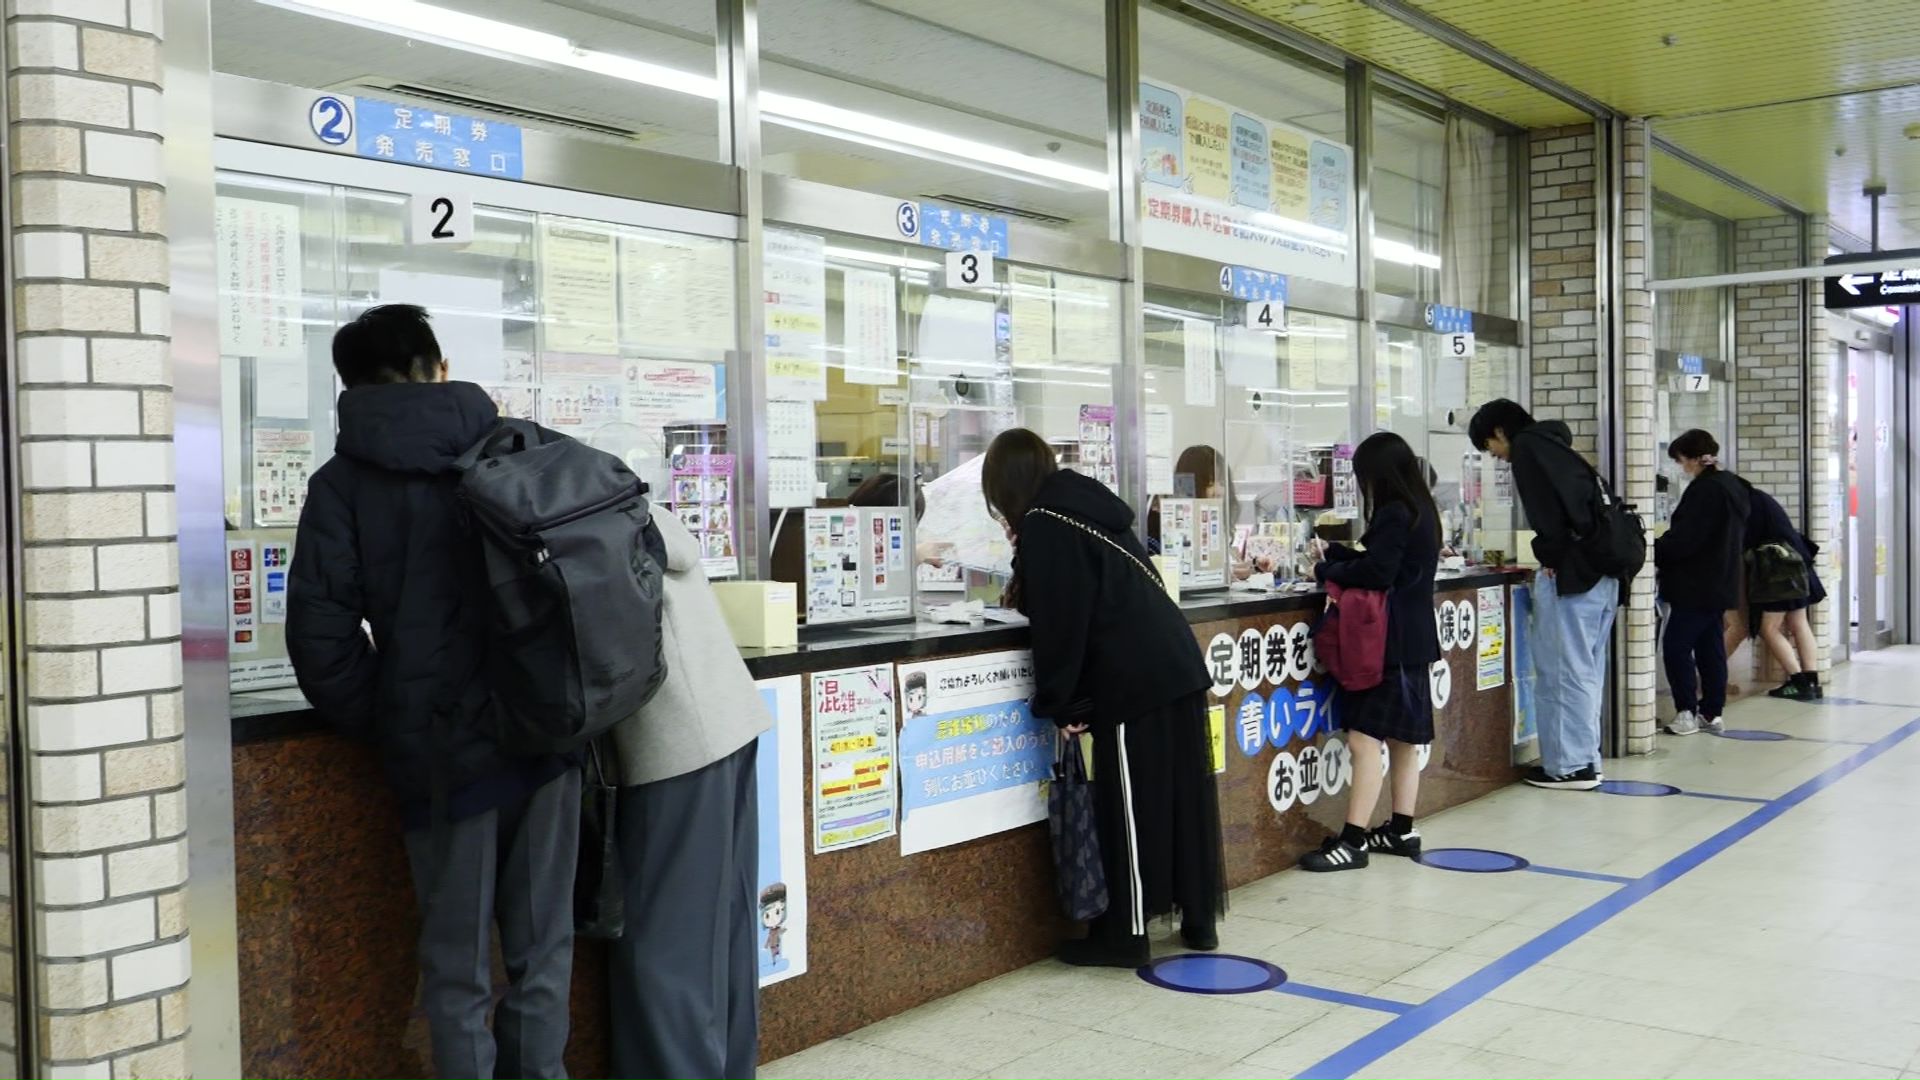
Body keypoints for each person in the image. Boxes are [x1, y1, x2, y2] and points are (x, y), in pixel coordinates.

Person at [287, 304, 580, 1080]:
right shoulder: (519, 448)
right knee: (543, 954)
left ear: (348, 385)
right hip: (545, 729)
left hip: (439, 752)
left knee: (456, 973)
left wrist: (388, 716)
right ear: (439, 366)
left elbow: (321, 635)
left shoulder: (341, 484)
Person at [984, 428, 1225, 967]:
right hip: (1171, 665)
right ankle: (1198, 919)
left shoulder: (1048, 524)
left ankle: (1125, 935)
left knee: (1131, 807)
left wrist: (1062, 703)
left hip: (1132, 678)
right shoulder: (1088, 509)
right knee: (1181, 797)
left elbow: (1062, 623)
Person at [608, 505, 771, 1080]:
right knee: (725, 928)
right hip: (730, 720)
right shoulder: (643, 512)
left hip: (670, 741)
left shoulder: (568, 520)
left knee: (667, 943)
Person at [1299, 432, 1442, 871]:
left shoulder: (1395, 512)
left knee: (1364, 739)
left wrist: (1326, 567)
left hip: (1385, 642)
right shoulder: (1421, 510)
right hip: (1413, 639)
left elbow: (1379, 572)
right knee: (1402, 741)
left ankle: (1354, 841)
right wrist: (1343, 555)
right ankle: (1401, 830)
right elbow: (1385, 561)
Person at [1469, 399, 1619, 791]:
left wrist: (1550, 554)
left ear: (1501, 431)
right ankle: (1584, 760)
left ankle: (1569, 767)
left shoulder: (1530, 450)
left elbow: (1551, 518)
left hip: (1574, 577)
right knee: (1584, 672)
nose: (1496, 457)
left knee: (1561, 672)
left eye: (1491, 446)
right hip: (1601, 575)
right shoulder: (1558, 447)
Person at [1653, 430, 1751, 736]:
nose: (1682, 467)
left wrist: (1653, 549)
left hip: (1695, 583)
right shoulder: (1733, 486)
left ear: (1695, 459)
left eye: (1682, 461)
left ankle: (1686, 711)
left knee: (1676, 646)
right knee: (1710, 648)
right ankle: (1712, 711)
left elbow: (1687, 539)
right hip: (1721, 579)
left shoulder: (1704, 491)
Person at [1738, 475, 1827, 700]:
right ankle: (1812, 681)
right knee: (1799, 623)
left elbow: (1745, 543)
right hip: (1797, 566)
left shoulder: (1745, 506)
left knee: (1768, 628)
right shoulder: (1763, 499)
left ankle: (1798, 682)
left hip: (1777, 571)